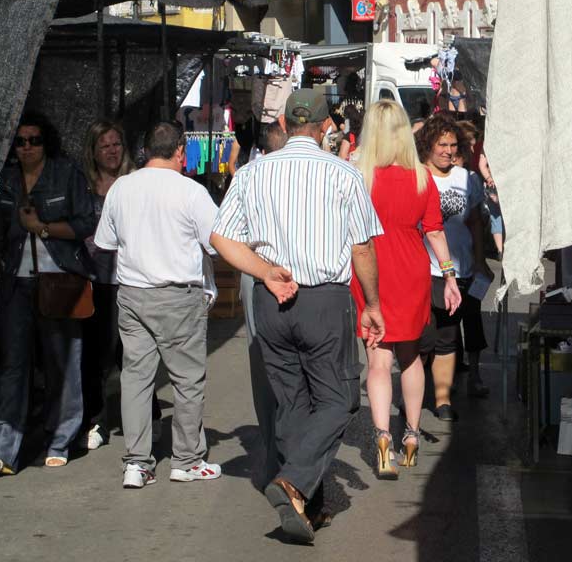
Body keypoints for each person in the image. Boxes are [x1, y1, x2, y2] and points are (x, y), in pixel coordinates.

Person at [210, 88, 385, 545]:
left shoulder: (252, 173)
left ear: (284, 125)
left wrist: (265, 271)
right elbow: (362, 246)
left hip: (272, 298)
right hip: (323, 299)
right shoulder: (343, 174)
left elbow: (221, 239)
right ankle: (293, 482)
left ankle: (309, 504)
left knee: (292, 403)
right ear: (328, 126)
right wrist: (372, 304)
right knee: (339, 399)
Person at [95, 121, 222, 489]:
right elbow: (216, 244)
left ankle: (137, 463)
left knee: (135, 378)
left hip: (133, 294)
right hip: (178, 296)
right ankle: (186, 459)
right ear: (181, 150)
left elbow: (106, 242)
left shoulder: (122, 187)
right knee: (186, 380)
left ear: (146, 150)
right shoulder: (191, 192)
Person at [0, 113, 96, 475]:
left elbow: (84, 224)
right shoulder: (7, 183)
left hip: (59, 279)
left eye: (35, 140)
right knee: (13, 366)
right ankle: (2, 449)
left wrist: (42, 228)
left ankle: (60, 439)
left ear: (47, 143)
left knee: (62, 365)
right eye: (21, 141)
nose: (27, 147)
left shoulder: (66, 173)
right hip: (16, 282)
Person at [352, 101, 461, 479]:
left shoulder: (360, 175)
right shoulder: (422, 177)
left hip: (370, 270)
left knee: (378, 359)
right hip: (412, 268)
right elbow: (434, 230)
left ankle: (382, 437)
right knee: (411, 356)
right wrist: (449, 276)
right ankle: (411, 435)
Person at [416, 114, 492, 420]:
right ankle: (416, 391)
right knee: (423, 338)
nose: (448, 150)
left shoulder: (467, 179)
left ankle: (443, 399)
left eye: (452, 144)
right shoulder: (418, 178)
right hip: (424, 270)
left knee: (448, 336)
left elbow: (474, 223)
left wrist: (479, 259)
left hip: (458, 271)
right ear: (428, 147)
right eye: (441, 144)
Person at [80, 120, 139, 451]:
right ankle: (96, 419)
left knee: (133, 354)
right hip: (95, 280)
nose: (113, 150)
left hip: (131, 279)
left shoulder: (134, 183)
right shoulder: (84, 187)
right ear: (94, 151)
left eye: (117, 144)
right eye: (105, 145)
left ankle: (149, 416)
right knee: (96, 354)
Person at [237, 117, 287, 492]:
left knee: (263, 363)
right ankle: (286, 451)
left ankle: (273, 449)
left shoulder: (248, 176)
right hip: (295, 277)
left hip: (256, 271)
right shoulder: (311, 176)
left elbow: (226, 236)